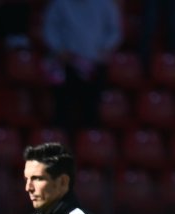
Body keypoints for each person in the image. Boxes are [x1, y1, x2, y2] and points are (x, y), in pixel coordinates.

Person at [42, 0, 121, 135]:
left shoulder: (105, 4)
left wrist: (104, 48)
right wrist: (58, 49)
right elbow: (50, 28)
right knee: (64, 110)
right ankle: (63, 145)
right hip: (67, 63)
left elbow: (114, 31)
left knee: (91, 110)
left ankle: (90, 145)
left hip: (95, 65)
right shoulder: (60, 4)